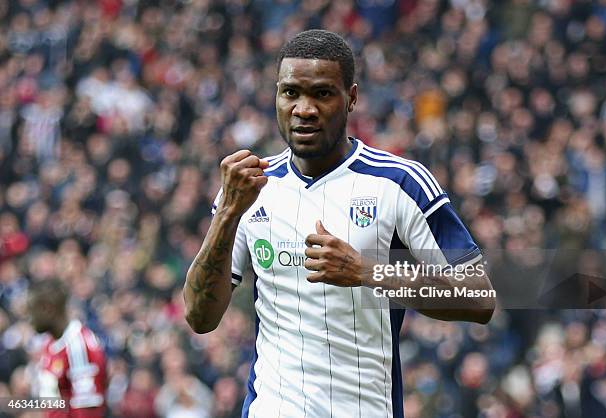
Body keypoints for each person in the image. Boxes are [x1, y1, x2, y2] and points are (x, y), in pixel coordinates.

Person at [184, 29, 495, 418]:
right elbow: (199, 317)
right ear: (276, 96)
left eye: (322, 93)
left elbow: (480, 298)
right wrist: (229, 210)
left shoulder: (399, 182)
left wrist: (366, 271)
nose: (304, 109)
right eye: (291, 92)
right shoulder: (249, 187)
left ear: (351, 98)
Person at [27, 279, 107, 418]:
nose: (30, 319)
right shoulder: (51, 343)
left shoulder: (79, 346)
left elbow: (88, 411)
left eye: (32, 312)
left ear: (48, 309)